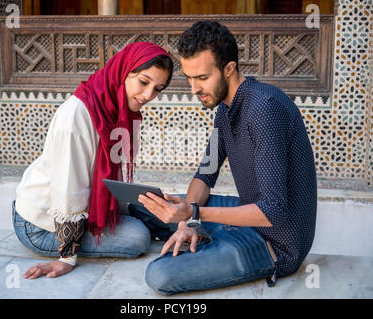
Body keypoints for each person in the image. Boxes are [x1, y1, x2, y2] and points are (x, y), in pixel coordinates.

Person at [130, 21, 317, 295]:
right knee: (146, 205)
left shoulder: (264, 108)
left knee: (159, 275)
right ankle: (203, 236)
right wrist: (186, 222)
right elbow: (206, 173)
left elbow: (273, 211)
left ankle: (216, 242)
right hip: (248, 212)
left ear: (229, 69)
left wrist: (194, 213)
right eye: (190, 78)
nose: (193, 88)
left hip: (275, 243)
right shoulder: (225, 110)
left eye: (202, 78)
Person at [12, 42, 174, 279]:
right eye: (143, 82)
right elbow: (67, 189)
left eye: (158, 88)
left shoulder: (115, 107)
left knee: (155, 205)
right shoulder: (77, 115)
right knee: (137, 237)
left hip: (85, 207)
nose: (149, 95)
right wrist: (67, 257)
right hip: (41, 225)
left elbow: (106, 174)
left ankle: (192, 226)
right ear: (124, 70)